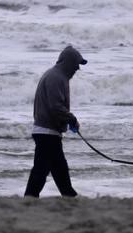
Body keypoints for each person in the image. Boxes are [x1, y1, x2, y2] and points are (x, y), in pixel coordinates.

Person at [23, 45, 87, 198]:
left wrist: (68, 120)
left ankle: (68, 195)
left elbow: (55, 107)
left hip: (46, 131)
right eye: (76, 64)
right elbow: (55, 107)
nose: (77, 68)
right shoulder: (56, 78)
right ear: (67, 62)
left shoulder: (56, 75)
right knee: (43, 170)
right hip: (47, 132)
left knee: (56, 169)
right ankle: (30, 198)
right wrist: (71, 118)